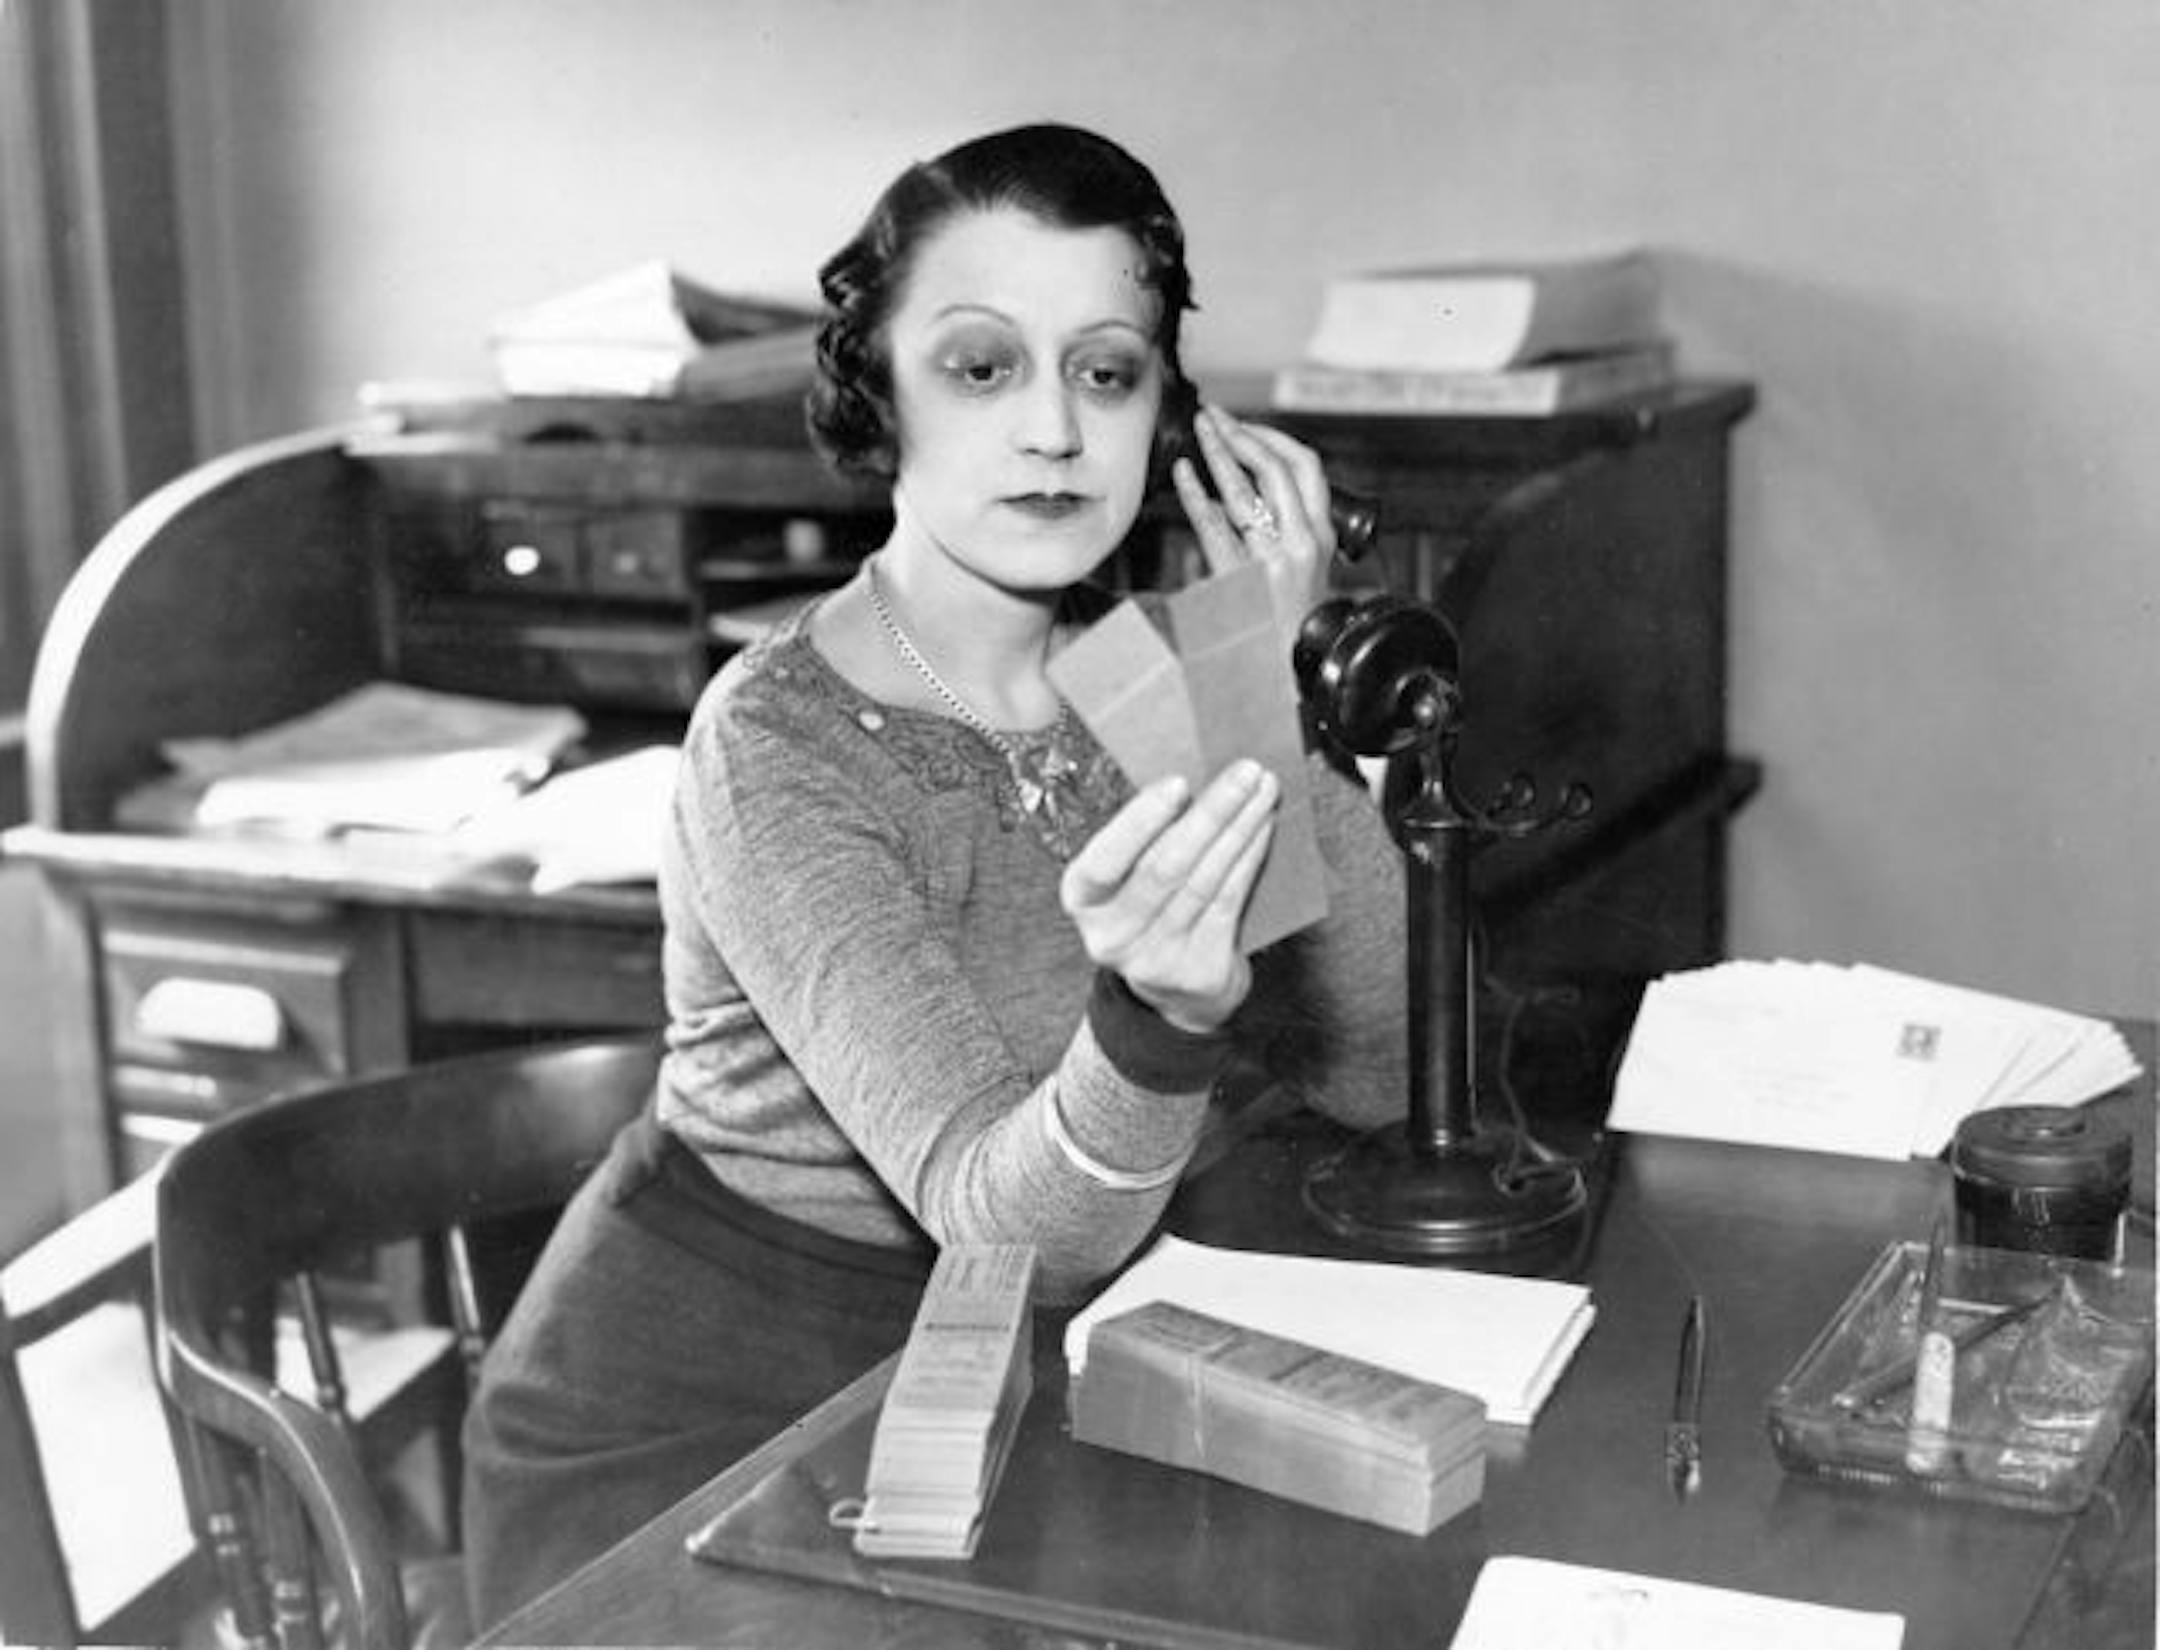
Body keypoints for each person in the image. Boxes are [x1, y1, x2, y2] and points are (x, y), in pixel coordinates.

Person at [460, 121, 1409, 1626]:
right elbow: (1000, 1226)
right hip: (710, 1446)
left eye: (1106, 371)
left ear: (1167, 415)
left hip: (1011, 1385)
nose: (1054, 431)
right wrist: (1157, 1018)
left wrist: (1262, 688)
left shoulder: (1150, 665)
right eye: (982, 367)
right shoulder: (773, 744)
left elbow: (1379, 1069)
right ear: (880, 396)